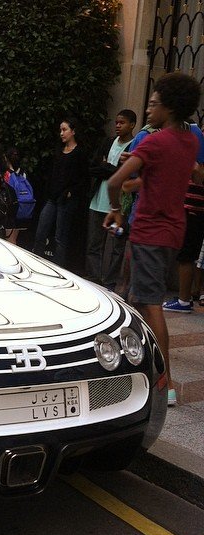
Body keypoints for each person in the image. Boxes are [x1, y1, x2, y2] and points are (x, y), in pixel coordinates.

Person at [105, 71, 202, 407]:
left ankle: (167, 382)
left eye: (154, 104)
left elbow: (114, 181)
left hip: (149, 231)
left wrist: (116, 209)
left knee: (150, 302)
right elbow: (173, 177)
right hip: (173, 231)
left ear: (170, 108)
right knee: (135, 297)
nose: (148, 110)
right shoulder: (189, 140)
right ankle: (130, 362)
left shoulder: (154, 142)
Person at [85, 109, 137, 288]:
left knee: (117, 247)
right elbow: (93, 167)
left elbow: (128, 175)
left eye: (122, 123)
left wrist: (107, 167)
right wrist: (112, 169)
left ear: (132, 125)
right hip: (98, 201)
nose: (117, 126)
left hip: (118, 206)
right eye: (116, 122)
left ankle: (110, 282)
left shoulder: (133, 147)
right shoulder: (107, 142)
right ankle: (94, 279)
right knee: (94, 244)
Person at [32, 117, 88, 267]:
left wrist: (71, 192)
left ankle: (58, 268)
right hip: (53, 197)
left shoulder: (80, 153)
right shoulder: (58, 150)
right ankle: (35, 263)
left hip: (67, 200)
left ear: (73, 131)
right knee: (41, 231)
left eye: (65, 130)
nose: (61, 133)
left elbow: (83, 178)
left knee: (60, 237)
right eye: (60, 130)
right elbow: (52, 173)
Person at [161, 122, 204, 313]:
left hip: (194, 206)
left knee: (187, 254)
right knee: (189, 253)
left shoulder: (197, 137)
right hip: (193, 206)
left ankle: (184, 300)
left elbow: (197, 174)